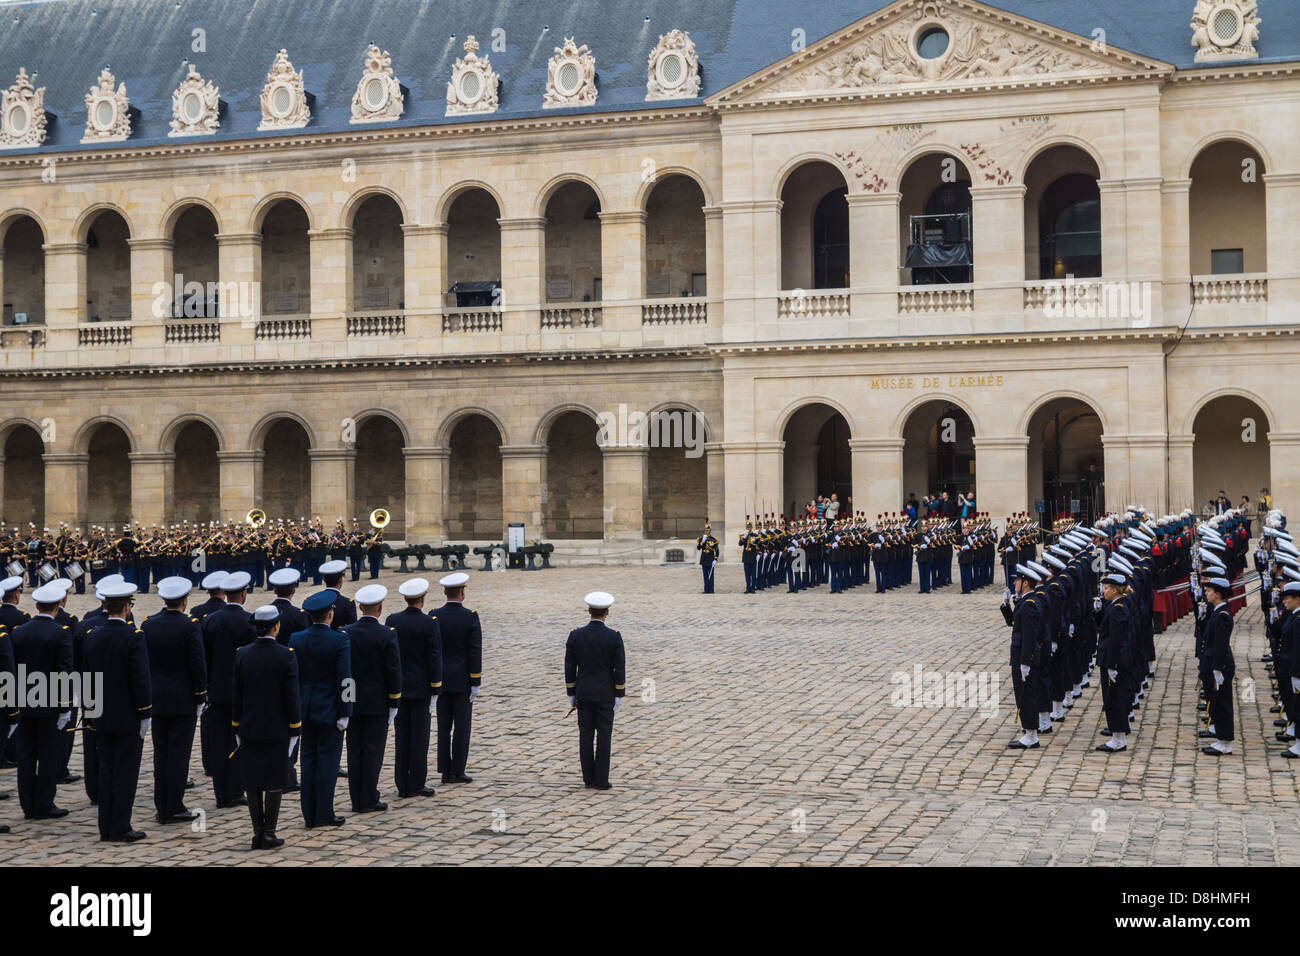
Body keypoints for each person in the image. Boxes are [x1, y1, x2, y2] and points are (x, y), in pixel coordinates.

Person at [81, 580, 151, 841]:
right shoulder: (134, 636)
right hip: (127, 715)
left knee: (106, 769)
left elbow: (86, 679)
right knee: (125, 772)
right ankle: (121, 825)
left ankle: (105, 827)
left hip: (99, 714)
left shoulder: (92, 636)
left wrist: (90, 711)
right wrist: (145, 712)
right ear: (125, 607)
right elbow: (140, 679)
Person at [232, 605, 301, 849]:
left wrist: (236, 724)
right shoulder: (286, 655)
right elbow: (291, 695)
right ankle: (269, 832)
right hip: (277, 726)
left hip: (249, 725)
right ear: (276, 627)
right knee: (274, 779)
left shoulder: (242, 654)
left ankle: (256, 832)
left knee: (253, 780)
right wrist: (295, 726)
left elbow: (237, 695)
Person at [142, 576, 206, 824]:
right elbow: (197, 663)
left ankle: (162, 804)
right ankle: (174, 805)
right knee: (179, 754)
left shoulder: (149, 624)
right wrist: (201, 694)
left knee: (161, 753)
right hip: (182, 698)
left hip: (156, 697)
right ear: (185, 599)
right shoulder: (190, 625)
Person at [10, 581, 73, 820]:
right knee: (48, 755)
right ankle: (44, 803)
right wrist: (65, 706)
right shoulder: (61, 632)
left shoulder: (19, 632)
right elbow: (64, 672)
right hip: (49, 703)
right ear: (58, 605)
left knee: (26, 755)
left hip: (25, 701)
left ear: (36, 605)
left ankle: (28, 804)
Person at [290, 590, 352, 827]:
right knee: (327, 762)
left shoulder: (296, 639)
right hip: (330, 710)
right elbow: (346, 680)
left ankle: (309, 813)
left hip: (305, 709)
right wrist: (347, 711)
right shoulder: (340, 640)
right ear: (330, 614)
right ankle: (324, 812)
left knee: (308, 761)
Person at [342, 584, 401, 813]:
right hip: (377, 702)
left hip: (353, 699)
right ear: (380, 607)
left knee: (354, 750)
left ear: (360, 607)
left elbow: (344, 672)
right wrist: (394, 701)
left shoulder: (346, 632)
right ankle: (369, 796)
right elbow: (392, 670)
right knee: (373, 751)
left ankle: (356, 797)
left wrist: (346, 700)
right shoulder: (386, 634)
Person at [201, 571, 255, 808]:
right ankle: (235, 790)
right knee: (238, 741)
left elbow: (205, 657)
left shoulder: (210, 620)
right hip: (241, 692)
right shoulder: (249, 621)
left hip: (216, 690)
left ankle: (221, 792)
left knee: (220, 742)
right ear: (243, 594)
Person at [565, 591, 627, 790]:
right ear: (607, 612)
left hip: (584, 692)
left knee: (585, 735)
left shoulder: (576, 635)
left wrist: (571, 692)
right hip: (605, 693)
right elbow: (619, 667)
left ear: (589, 610)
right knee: (604, 736)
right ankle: (601, 780)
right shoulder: (613, 636)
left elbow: (569, 666)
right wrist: (619, 693)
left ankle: (588, 779)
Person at [387, 577, 442, 798]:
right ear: (423, 598)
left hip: (399, 687)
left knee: (401, 736)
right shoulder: (429, 622)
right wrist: (436, 688)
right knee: (419, 737)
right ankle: (417, 782)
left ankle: (401, 782)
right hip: (420, 688)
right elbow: (434, 657)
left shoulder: (393, 620)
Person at [432, 572, 481, 785]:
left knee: (443, 726)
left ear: (444, 592)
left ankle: (444, 769)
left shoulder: (434, 615)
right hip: (462, 680)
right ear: (462, 592)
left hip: (440, 680)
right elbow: (474, 651)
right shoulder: (470, 616)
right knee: (461, 727)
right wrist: (475, 681)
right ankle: (457, 770)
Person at [1000, 564, 1047, 750]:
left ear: (1025, 583)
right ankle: (1029, 731)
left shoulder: (1029, 605)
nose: (1014, 583)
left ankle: (1031, 735)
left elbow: (1028, 636)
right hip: (1021, 655)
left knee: (1026, 694)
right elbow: (1013, 622)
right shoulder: (1026, 601)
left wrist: (1025, 662)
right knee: (1023, 694)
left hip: (1023, 656)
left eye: (1017, 580)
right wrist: (1006, 606)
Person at [1201, 576, 1237, 756]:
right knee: (1216, 702)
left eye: (1209, 591)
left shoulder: (1222, 615)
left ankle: (1225, 741)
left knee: (1222, 703)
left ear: (1218, 594)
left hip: (1219, 664)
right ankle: (1221, 738)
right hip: (1212, 662)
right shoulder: (1217, 611)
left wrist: (1217, 668)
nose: (1206, 594)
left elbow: (1221, 645)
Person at [696, 523, 719, 594]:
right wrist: (702, 542)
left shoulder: (714, 540)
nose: (708, 531)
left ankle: (711, 590)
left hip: (710, 560)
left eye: (709, 530)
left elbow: (717, 550)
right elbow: (698, 548)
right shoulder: (701, 539)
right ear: (705, 531)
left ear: (711, 530)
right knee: (705, 576)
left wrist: (715, 559)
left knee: (711, 576)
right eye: (706, 530)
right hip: (704, 560)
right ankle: (706, 590)